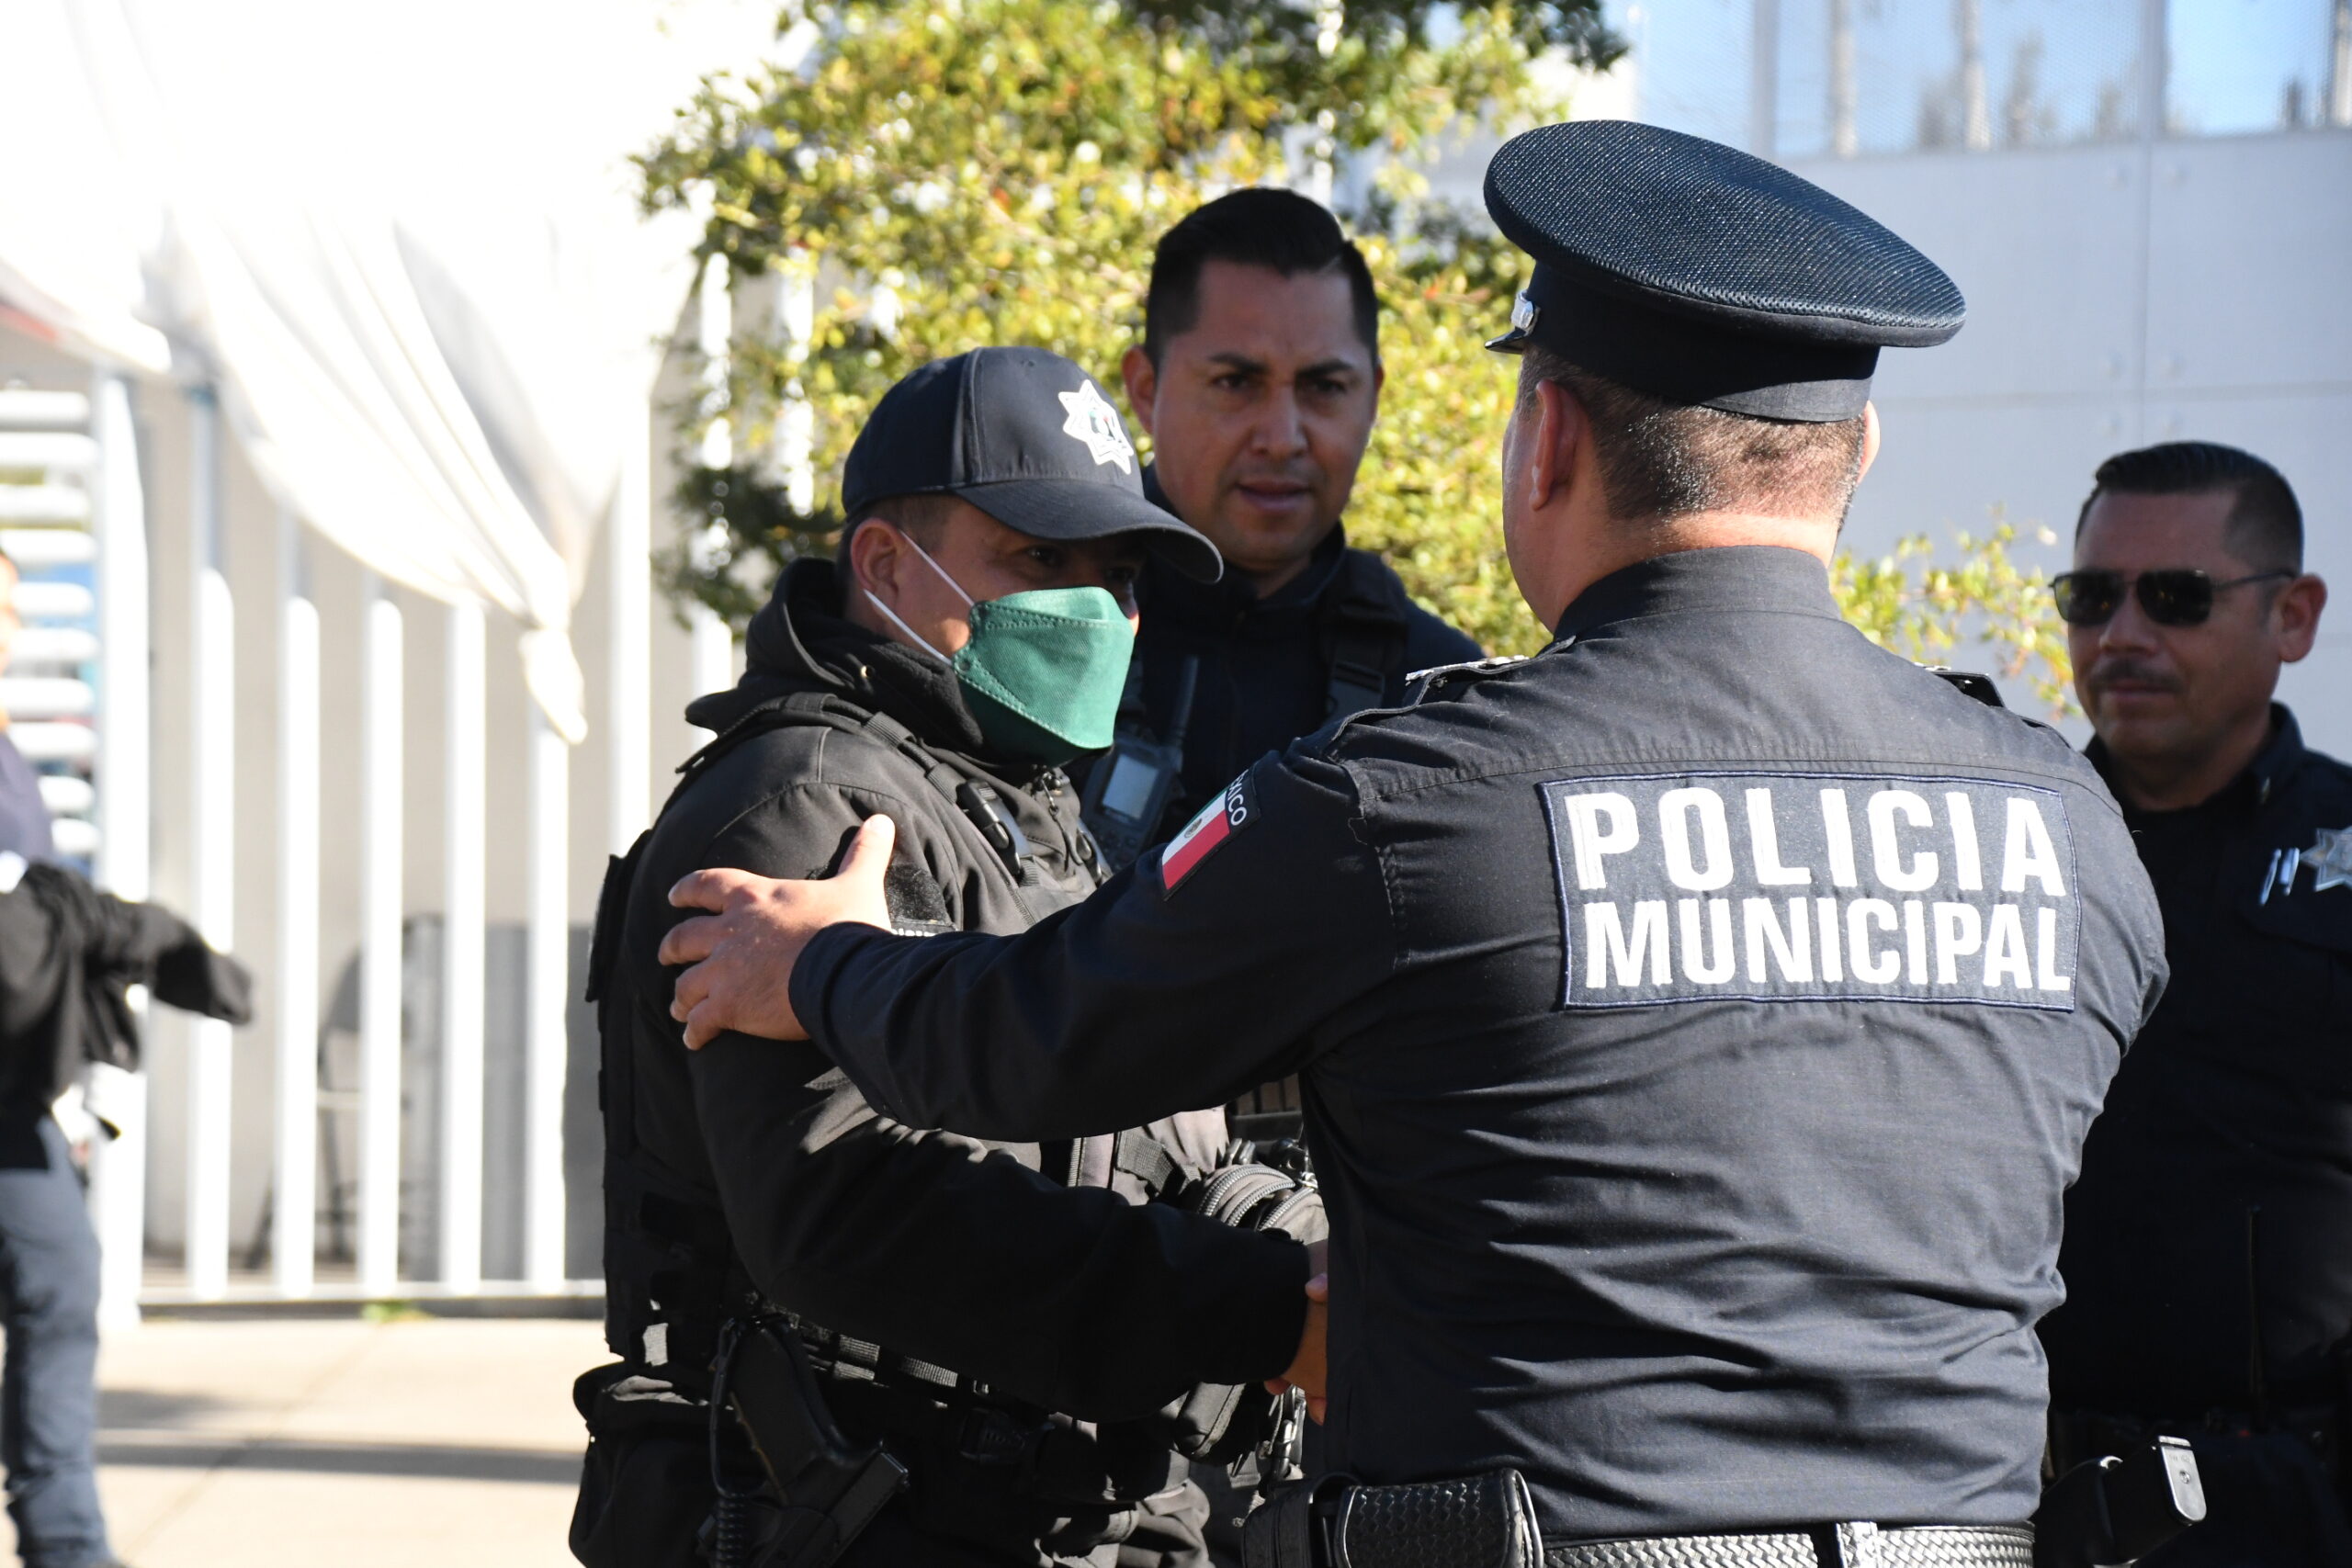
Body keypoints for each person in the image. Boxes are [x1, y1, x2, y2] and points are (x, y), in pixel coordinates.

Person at [656, 121, 2171, 1560]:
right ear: (1858, 450)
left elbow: (1031, 1035)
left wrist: (832, 965)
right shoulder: (2071, 829)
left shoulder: (1417, 791)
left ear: (1548, 436)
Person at [571, 347, 1323, 1568]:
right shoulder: (807, 807)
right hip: (851, 1511)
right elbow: (854, 1209)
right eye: (1042, 561)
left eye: (1118, 576)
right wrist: (1255, 1311)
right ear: (883, 564)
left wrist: (1326, 1261)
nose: (1094, 610)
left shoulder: (1019, 802)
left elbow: (1151, 1132)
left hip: (1051, 1508)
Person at [2034, 441, 2350, 1565]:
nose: (2122, 635)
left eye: (2174, 597)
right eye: (2091, 596)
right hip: (2021, 1501)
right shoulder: (2012, 846)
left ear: (2293, 618)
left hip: (2286, 1509)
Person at [1079, 188, 1481, 879]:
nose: (1282, 437)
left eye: (1324, 387)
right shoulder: (1030, 634)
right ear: (1145, 389)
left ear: (1373, 397)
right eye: (1237, 382)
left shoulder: (1435, 695)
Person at [0, 554, 253, 1568]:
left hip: (16, 1095)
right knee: (56, 1284)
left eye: (9, 607)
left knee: (61, 1285)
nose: (5, 628)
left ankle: (68, 1545)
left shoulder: (9, 749)